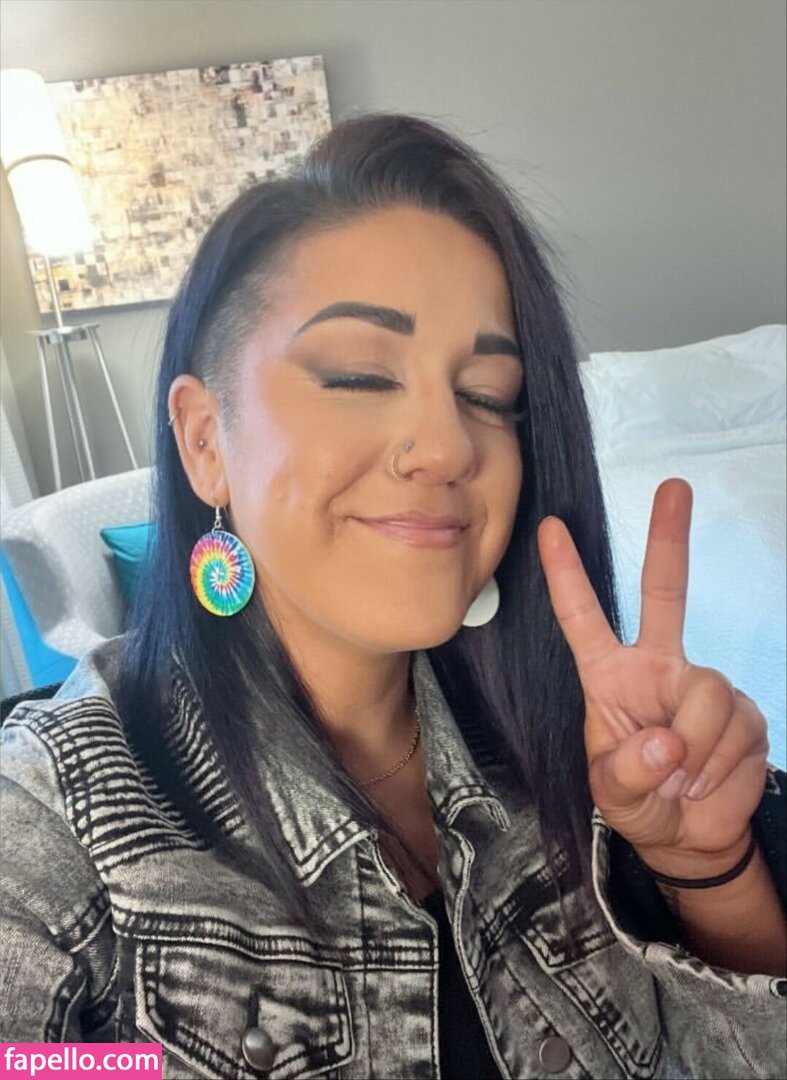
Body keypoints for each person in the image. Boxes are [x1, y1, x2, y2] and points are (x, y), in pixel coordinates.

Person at [1, 111, 784, 1080]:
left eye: (488, 396)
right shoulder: (54, 818)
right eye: (360, 376)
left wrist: (704, 867)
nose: (448, 446)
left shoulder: (576, 751)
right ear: (205, 440)